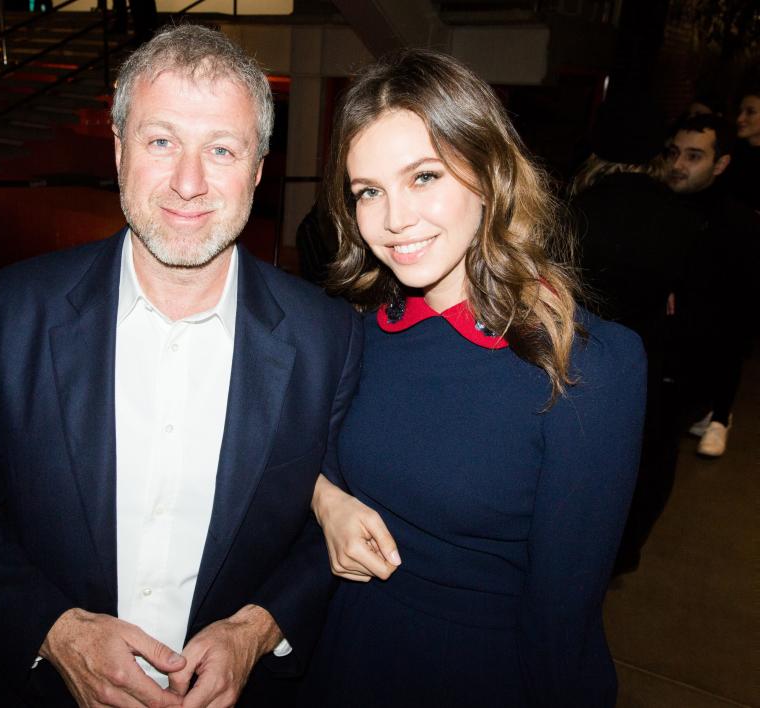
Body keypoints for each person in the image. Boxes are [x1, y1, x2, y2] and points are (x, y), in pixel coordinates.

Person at [0, 25, 362, 708]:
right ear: (119, 151)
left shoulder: (328, 337)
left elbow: (326, 532)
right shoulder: (11, 313)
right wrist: (54, 631)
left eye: (221, 149)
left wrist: (257, 628)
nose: (188, 182)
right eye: (160, 142)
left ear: (259, 169)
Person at [300, 49, 646, 707]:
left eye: (423, 177)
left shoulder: (587, 366)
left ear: (488, 172)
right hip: (343, 655)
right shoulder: (353, 331)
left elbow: (561, 620)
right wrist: (326, 499)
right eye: (368, 191)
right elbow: (292, 455)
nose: (393, 219)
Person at [568, 97, 697, 575]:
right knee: (634, 465)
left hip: (574, 361)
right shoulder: (681, 217)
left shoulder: (576, 210)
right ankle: (616, 555)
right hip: (643, 366)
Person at [664, 113, 759, 457]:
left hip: (708, 341)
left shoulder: (737, 223)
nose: (677, 164)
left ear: (720, 164)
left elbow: (741, 315)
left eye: (693, 156)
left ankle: (718, 415)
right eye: (673, 152)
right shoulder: (658, 204)